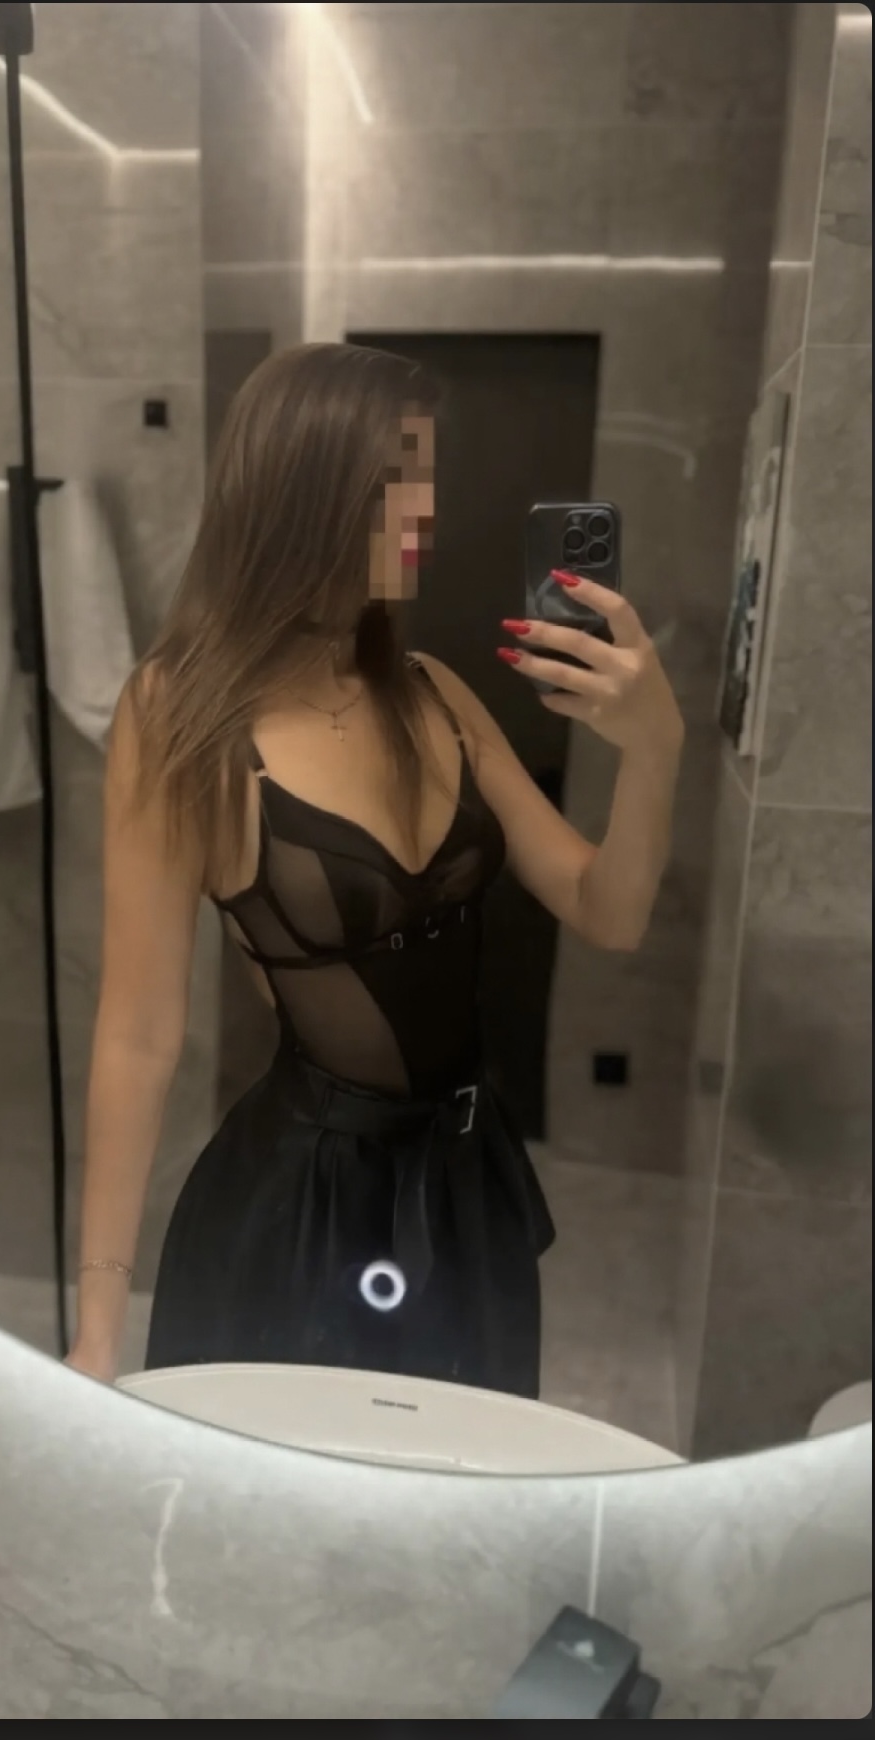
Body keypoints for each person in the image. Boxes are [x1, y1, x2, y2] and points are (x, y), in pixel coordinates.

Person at [66, 342, 684, 1397]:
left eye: (425, 476)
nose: (425, 509)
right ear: (305, 489)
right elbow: (138, 1032)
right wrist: (96, 1327)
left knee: (456, 1483)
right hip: (291, 1211)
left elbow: (608, 911)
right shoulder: (178, 715)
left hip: (467, 1193)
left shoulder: (431, 692)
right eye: (396, 479)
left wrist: (654, 747)